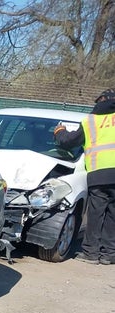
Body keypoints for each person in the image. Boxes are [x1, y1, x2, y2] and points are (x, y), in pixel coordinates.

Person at [54, 89, 115, 264]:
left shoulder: (90, 121)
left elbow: (69, 142)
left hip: (99, 174)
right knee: (113, 215)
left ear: (101, 100)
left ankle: (91, 253)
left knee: (96, 214)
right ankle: (109, 255)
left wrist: (59, 131)